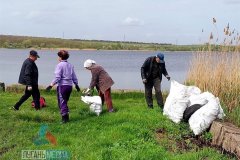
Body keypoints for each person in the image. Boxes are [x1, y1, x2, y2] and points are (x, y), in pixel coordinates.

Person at [46, 50, 80, 123]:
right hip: (69, 86)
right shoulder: (70, 65)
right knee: (65, 101)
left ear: (60, 57)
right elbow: (74, 76)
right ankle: (66, 117)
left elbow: (57, 77)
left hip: (62, 86)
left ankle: (64, 119)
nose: (58, 58)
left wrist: (51, 85)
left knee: (62, 102)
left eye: (58, 56)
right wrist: (76, 84)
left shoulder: (59, 65)